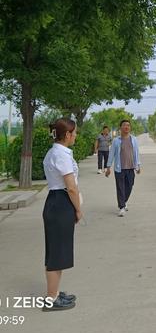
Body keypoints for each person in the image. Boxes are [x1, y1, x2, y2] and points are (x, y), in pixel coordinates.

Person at [42, 118, 81, 311]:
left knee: (57, 251)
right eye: (74, 133)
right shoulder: (62, 155)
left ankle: (55, 292)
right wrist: (78, 209)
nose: (76, 136)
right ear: (67, 135)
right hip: (61, 202)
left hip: (55, 200)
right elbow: (71, 187)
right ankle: (51, 298)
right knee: (57, 253)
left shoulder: (54, 152)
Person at [105, 119, 141, 217]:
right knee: (120, 188)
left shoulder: (134, 139)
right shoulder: (116, 140)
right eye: (124, 125)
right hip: (119, 168)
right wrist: (108, 167)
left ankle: (123, 202)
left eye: (128, 125)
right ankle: (121, 207)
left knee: (130, 186)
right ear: (120, 127)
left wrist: (138, 165)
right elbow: (111, 154)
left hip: (131, 168)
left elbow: (136, 153)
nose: (126, 127)